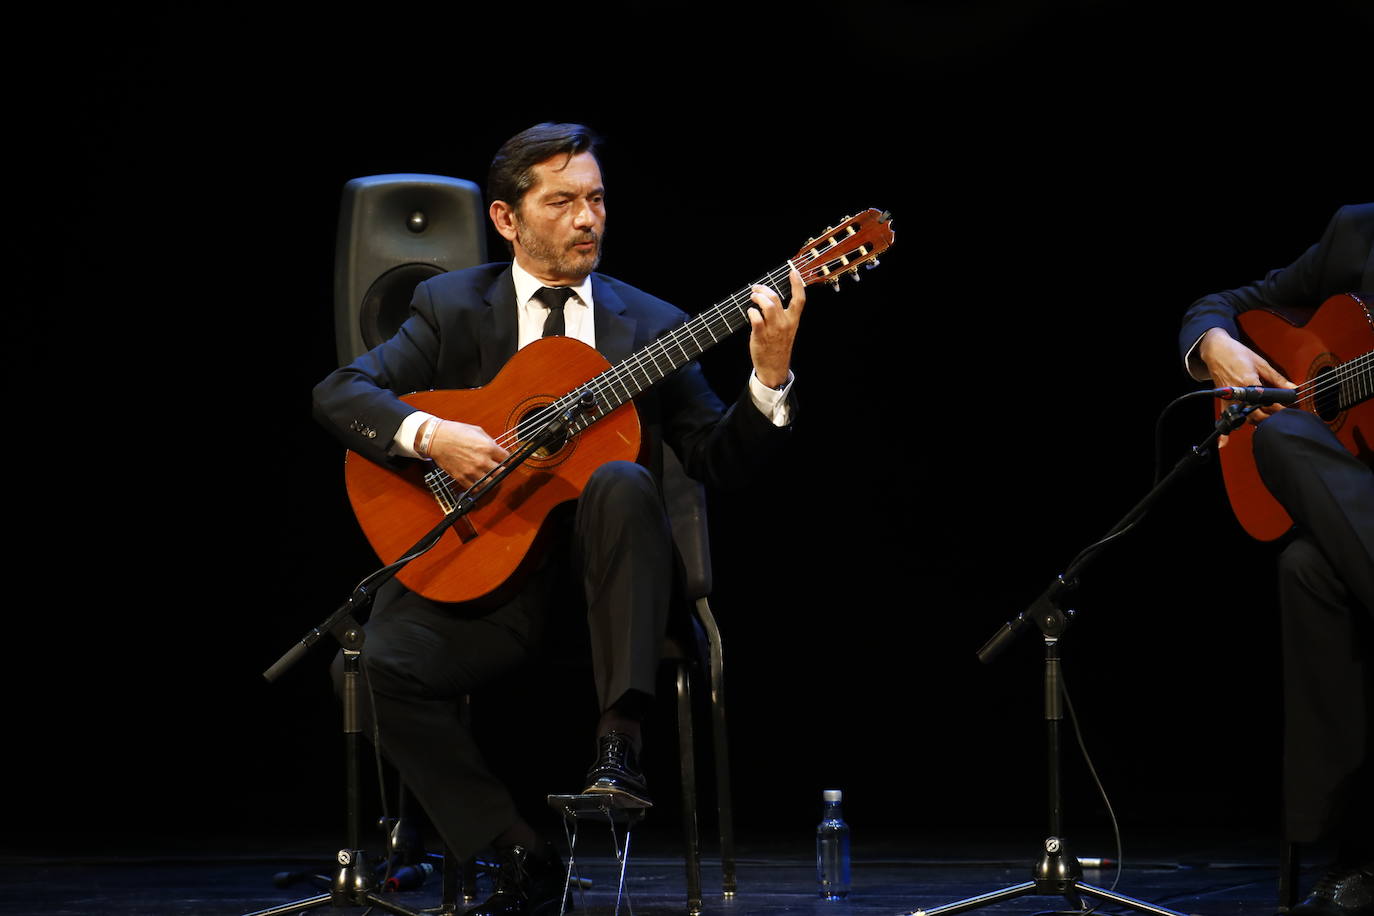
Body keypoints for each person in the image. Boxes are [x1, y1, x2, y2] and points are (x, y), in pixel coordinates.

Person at [313, 123, 803, 916]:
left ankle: (620, 750)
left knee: (617, 477)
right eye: (564, 201)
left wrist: (768, 377)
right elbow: (340, 394)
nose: (588, 219)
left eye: (598, 199)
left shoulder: (651, 325)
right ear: (508, 219)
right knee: (362, 670)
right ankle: (518, 853)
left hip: (614, 599)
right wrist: (433, 435)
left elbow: (720, 460)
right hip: (489, 587)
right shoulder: (448, 306)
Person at [1179, 202, 1373, 916]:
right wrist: (1214, 346)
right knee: (1282, 439)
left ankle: (1357, 856)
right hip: (1357, 499)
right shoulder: (1360, 233)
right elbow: (1222, 304)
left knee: (1308, 568)